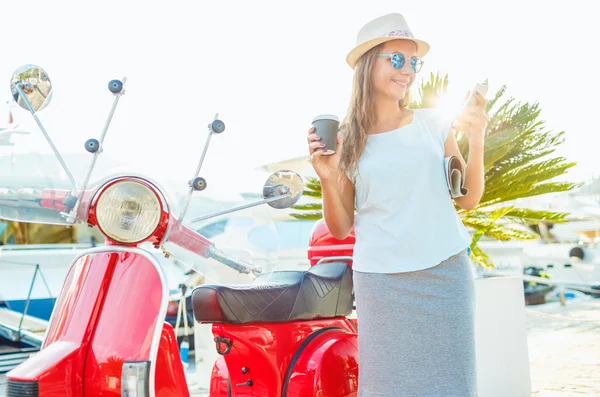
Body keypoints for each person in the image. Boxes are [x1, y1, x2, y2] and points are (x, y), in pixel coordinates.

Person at [307, 13, 488, 397]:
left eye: (414, 63)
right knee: (389, 387)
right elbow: (340, 228)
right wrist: (326, 175)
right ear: (368, 62)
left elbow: (467, 198)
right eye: (397, 59)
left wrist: (478, 140)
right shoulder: (346, 140)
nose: (408, 71)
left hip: (445, 273)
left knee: (453, 385)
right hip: (382, 282)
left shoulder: (432, 123)